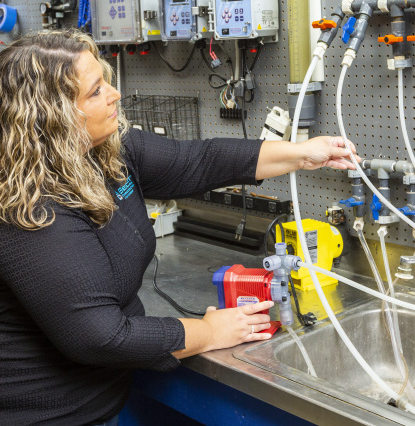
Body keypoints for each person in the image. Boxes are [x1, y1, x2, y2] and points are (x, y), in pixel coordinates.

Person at [0, 30, 360, 426]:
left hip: (101, 401)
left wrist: (302, 154)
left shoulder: (105, 152)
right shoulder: (29, 208)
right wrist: (208, 331)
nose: (115, 94)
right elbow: (99, 337)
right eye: (96, 90)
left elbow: (197, 162)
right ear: (50, 118)